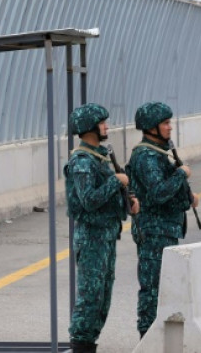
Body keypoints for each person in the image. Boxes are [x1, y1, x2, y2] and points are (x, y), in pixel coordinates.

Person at [65, 103, 139, 353]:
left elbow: (103, 197)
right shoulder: (83, 161)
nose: (106, 126)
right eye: (102, 122)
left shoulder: (99, 156)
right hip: (92, 238)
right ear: (89, 127)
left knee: (102, 298)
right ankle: (81, 347)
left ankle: (88, 344)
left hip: (106, 237)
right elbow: (89, 200)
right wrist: (115, 182)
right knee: (90, 299)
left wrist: (128, 201)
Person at [128, 101, 199, 338]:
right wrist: (181, 173)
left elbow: (166, 191)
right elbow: (158, 193)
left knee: (164, 289)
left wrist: (188, 197)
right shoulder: (146, 157)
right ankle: (147, 339)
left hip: (165, 230)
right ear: (151, 127)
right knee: (152, 290)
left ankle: (156, 340)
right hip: (154, 232)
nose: (170, 127)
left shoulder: (158, 154)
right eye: (165, 123)